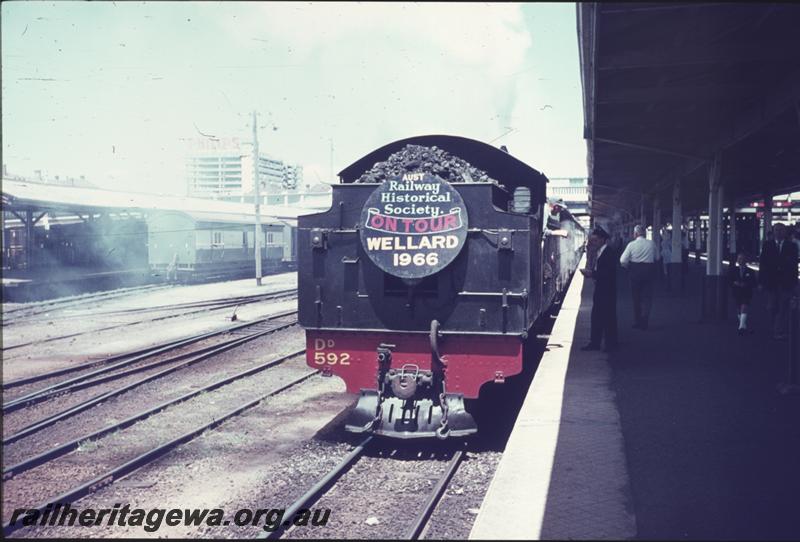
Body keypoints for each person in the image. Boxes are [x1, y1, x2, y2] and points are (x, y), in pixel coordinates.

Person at [758, 223, 799, 340]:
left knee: (783, 306)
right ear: (773, 232)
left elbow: (794, 266)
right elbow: (763, 264)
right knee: (772, 306)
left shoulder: (792, 246)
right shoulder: (767, 245)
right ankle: (775, 327)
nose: (779, 232)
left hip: (786, 283)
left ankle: (777, 331)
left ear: (785, 232)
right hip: (771, 282)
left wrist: (794, 282)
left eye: (781, 230)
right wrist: (761, 282)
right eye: (777, 230)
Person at [580, 227, 618, 351]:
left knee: (608, 318)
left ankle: (610, 345)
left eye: (595, 240)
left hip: (607, 290)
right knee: (596, 316)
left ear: (602, 240)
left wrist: (592, 274)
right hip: (601, 289)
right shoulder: (600, 252)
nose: (593, 243)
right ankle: (595, 343)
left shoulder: (609, 253)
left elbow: (608, 273)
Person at [619, 224, 657, 329]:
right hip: (649, 272)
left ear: (635, 234)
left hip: (635, 273)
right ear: (644, 234)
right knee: (647, 298)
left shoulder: (631, 245)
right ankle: (645, 320)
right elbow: (657, 257)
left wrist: (627, 267)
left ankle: (637, 321)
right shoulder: (651, 244)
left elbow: (622, 260)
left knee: (636, 298)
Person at [729, 251, 756, 335]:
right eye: (739, 259)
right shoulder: (733, 270)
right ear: (737, 260)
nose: (741, 260)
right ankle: (743, 325)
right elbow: (729, 280)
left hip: (746, 292)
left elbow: (754, 282)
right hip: (736, 292)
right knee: (738, 309)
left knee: (744, 306)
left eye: (743, 259)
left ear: (746, 260)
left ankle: (741, 328)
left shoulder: (751, 271)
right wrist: (734, 283)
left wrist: (746, 284)